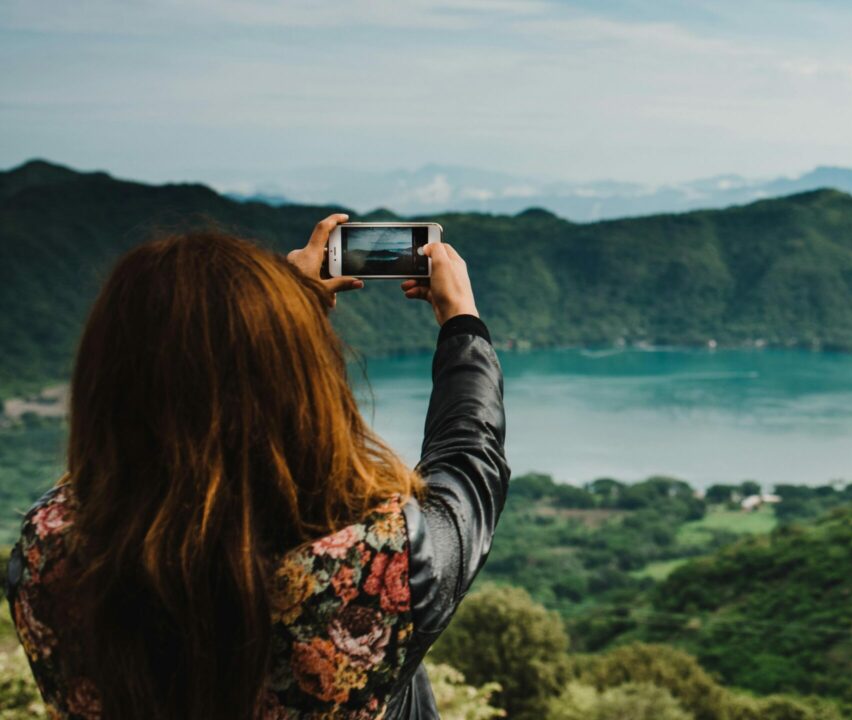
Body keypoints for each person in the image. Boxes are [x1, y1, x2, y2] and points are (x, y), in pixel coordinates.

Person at [5, 214, 509, 719]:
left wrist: (289, 310)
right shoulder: (375, 567)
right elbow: (468, 465)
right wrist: (461, 320)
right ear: (304, 381)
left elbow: (170, 424)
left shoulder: (47, 554)